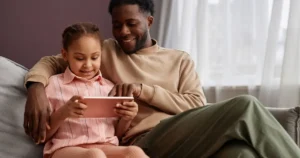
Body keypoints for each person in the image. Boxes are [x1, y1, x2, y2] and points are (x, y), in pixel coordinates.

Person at [24, 0, 300, 157]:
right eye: (117, 25)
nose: (123, 31)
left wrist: (144, 90)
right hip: (140, 141)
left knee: (242, 154)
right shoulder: (103, 51)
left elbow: (195, 106)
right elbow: (53, 62)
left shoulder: (179, 59)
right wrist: (36, 87)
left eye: (131, 23)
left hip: (184, 133)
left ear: (149, 22)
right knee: (245, 105)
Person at [42, 22, 148, 158]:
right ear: (65, 55)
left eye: (94, 57)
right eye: (80, 58)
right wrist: (64, 112)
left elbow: (117, 133)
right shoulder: (54, 84)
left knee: (134, 152)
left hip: (105, 147)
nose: (88, 65)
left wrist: (127, 118)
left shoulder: (109, 88)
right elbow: (43, 134)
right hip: (66, 149)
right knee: (95, 155)